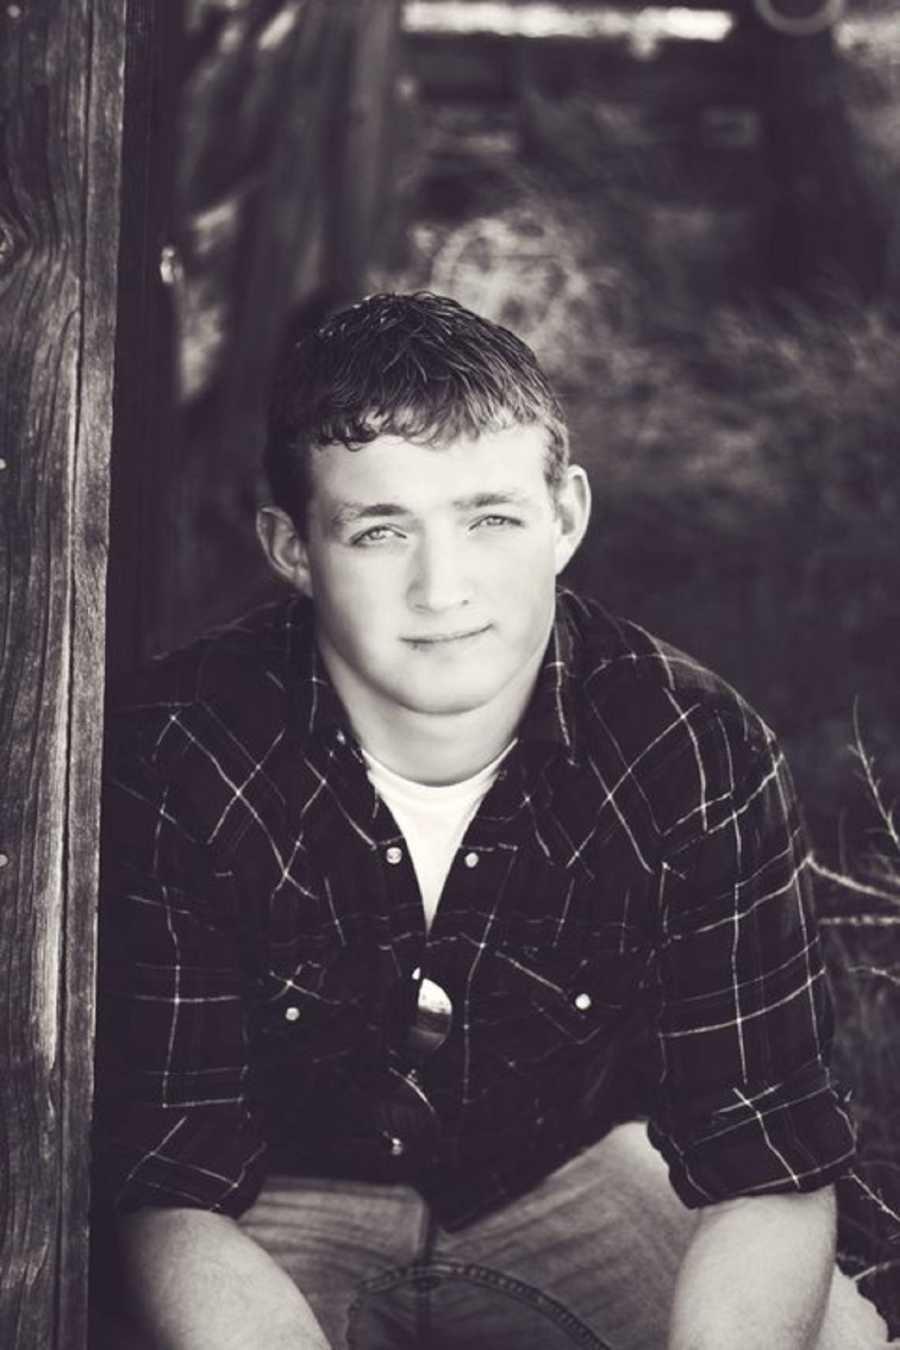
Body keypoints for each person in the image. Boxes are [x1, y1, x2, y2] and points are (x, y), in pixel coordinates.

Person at [92, 291, 894, 1350]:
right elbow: (168, 1178)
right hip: (270, 1204)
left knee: (836, 1335)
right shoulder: (180, 751)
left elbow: (766, 1159)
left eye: (491, 520)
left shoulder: (689, 749)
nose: (443, 588)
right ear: (292, 548)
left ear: (564, 516)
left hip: (565, 1173)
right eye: (381, 531)